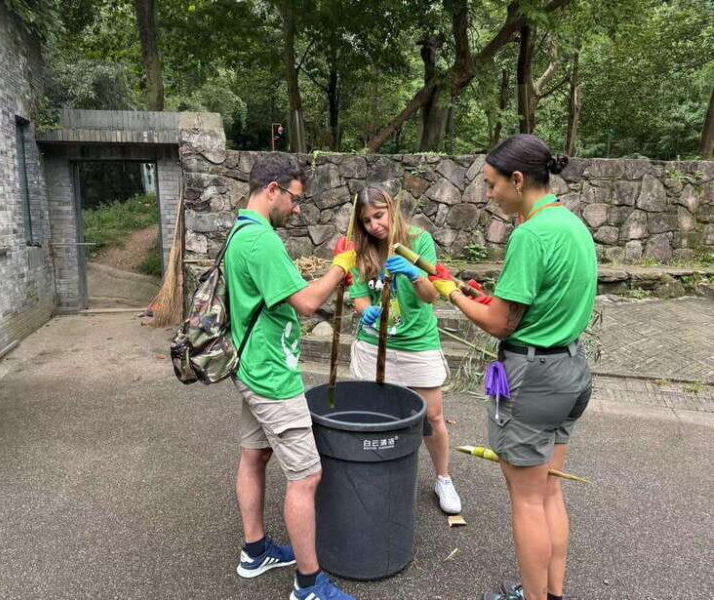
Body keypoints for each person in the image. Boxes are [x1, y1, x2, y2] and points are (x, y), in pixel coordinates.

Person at [435, 135, 597, 600]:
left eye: (491, 185)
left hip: (532, 378)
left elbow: (502, 324)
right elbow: (536, 304)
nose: (489, 195)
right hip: (570, 370)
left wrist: (451, 293)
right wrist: (484, 298)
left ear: (518, 180)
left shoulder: (530, 234)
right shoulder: (571, 224)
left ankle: (531, 597)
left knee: (526, 499)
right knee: (549, 490)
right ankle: (551, 592)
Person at [224, 154, 358, 600]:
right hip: (271, 377)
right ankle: (308, 585)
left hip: (249, 365)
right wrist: (342, 266)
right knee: (305, 477)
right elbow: (304, 302)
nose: (298, 209)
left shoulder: (240, 231)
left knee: (254, 456)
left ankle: (255, 551)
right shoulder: (261, 241)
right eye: (295, 199)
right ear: (273, 190)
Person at [346, 185, 462, 514]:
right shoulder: (361, 250)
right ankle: (376, 476)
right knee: (374, 416)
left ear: (392, 209)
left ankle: (443, 478)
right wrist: (365, 311)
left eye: (379, 216)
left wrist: (414, 274)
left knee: (432, 416)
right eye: (367, 221)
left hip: (417, 343)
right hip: (374, 346)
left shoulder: (418, 241)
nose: (374, 226)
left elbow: (431, 295)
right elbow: (359, 297)